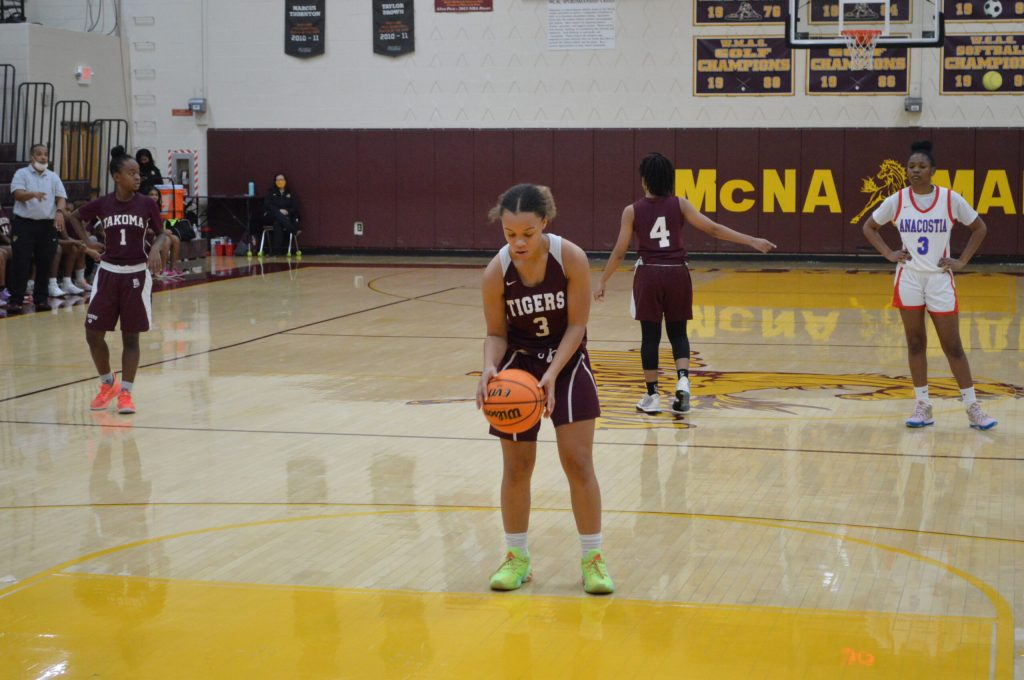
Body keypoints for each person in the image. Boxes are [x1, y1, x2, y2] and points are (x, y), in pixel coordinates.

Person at [475, 183, 614, 595]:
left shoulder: (570, 258)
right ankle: (517, 559)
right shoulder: (494, 273)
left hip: (566, 361)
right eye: (510, 234)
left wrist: (552, 374)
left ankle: (593, 560)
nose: (518, 242)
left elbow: (577, 325)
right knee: (516, 467)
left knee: (577, 461)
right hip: (518, 365)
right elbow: (496, 334)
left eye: (527, 234)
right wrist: (487, 368)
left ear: (544, 225)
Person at [594, 152, 776, 415]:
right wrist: (752, 240)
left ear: (644, 180)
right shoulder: (680, 204)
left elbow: (621, 250)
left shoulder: (632, 210)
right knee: (678, 333)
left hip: (650, 274)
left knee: (650, 338)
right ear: (669, 179)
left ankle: (653, 395)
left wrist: (603, 280)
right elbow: (713, 228)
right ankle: (682, 381)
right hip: (678, 272)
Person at [862, 140, 997, 430]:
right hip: (908, 278)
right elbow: (869, 226)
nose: (915, 171)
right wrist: (888, 253)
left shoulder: (950, 199)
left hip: (939, 280)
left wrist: (962, 261)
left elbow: (980, 228)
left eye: (922, 166)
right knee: (915, 343)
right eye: (911, 166)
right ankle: (923, 404)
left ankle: (973, 407)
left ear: (933, 170)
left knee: (953, 346)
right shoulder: (898, 200)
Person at [71, 146, 166, 415]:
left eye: (138, 173)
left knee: (130, 337)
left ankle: (126, 392)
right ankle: (107, 383)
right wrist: (87, 241)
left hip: (136, 274)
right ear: (116, 176)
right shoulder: (103, 203)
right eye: (132, 173)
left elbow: (160, 233)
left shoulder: (147, 203)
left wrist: (156, 248)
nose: (137, 178)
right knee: (93, 333)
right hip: (109, 273)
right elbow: (75, 217)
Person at [7, 144, 67, 313]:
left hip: (47, 226)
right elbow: (17, 194)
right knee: (21, 262)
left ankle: (41, 299)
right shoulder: (21, 173)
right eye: (39, 154)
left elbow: (61, 197)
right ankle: (16, 300)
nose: (43, 157)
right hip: (24, 224)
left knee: (45, 262)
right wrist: (32, 194)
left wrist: (60, 211)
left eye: (46, 154)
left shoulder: (53, 176)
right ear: (32, 157)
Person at [144, 186, 184, 277]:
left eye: (156, 195)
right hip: (147, 236)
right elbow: (145, 228)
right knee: (166, 240)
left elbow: (159, 227)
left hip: (157, 234)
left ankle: (173, 268)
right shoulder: (143, 208)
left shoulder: (157, 208)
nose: (154, 197)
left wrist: (164, 231)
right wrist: (162, 232)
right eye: (151, 195)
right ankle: (162, 269)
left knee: (176, 239)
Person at [263, 173, 300, 256]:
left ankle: (276, 252)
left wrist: (287, 211)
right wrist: (278, 211)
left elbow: (295, 208)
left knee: (278, 223)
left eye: (282, 179)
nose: (280, 181)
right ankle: (294, 230)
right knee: (276, 213)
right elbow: (267, 205)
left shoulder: (291, 194)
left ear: (285, 181)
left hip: (285, 217)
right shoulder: (271, 193)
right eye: (278, 180)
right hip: (271, 216)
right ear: (275, 181)